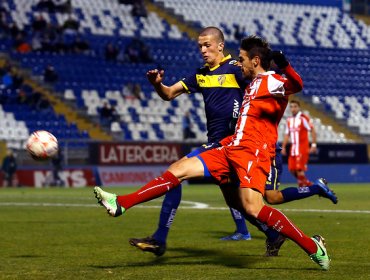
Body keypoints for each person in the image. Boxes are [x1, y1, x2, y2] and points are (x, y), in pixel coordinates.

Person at [94, 35, 331, 270]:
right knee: (178, 170)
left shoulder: (271, 81)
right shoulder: (248, 79)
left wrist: (285, 64)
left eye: (243, 59)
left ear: (255, 61)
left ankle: (312, 246)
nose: (240, 63)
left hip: (253, 152)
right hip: (230, 146)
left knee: (253, 207)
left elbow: (297, 85)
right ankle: (121, 203)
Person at [127, 27, 252, 258]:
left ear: (220, 45)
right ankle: (275, 236)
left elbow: (265, 81)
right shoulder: (200, 75)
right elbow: (169, 94)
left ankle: (158, 238)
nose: (203, 50)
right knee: (243, 205)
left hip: (233, 145)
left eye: (207, 45)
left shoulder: (237, 69)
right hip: (216, 145)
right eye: (200, 46)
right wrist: (157, 84)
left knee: (175, 173)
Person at [281, 100, 317, 187]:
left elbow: (312, 130)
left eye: (295, 106)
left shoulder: (303, 118)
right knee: (292, 169)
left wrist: (314, 144)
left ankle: (302, 187)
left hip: (302, 147)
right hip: (293, 149)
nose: (293, 109)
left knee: (299, 169)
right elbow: (287, 134)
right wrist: (283, 146)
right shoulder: (289, 120)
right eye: (291, 107)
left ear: (299, 107)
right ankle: (309, 185)